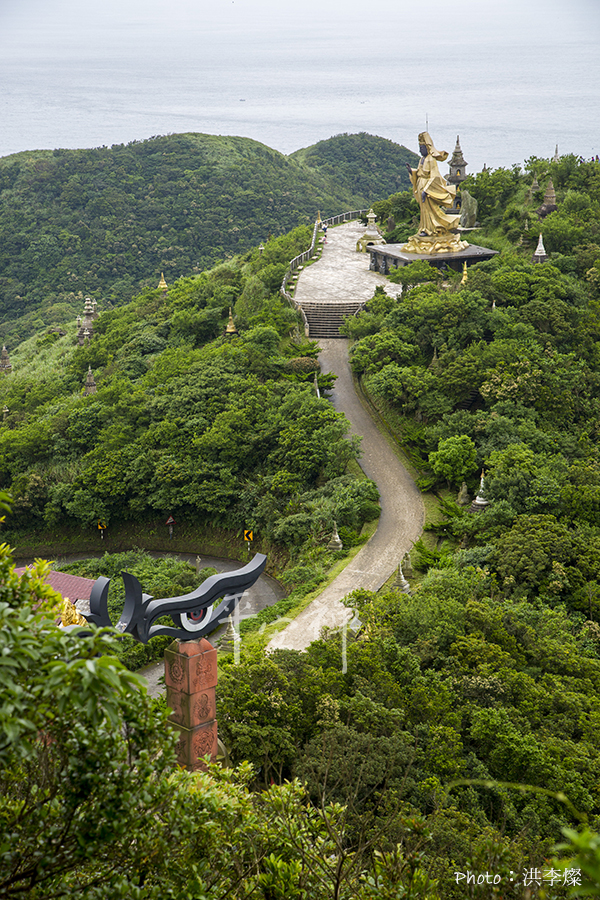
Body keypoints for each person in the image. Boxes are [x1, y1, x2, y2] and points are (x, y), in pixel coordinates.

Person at [402, 132, 468, 254]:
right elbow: (420, 172)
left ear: (428, 148)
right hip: (421, 184)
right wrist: (412, 171)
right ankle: (424, 228)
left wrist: (426, 190)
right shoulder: (422, 159)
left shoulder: (431, 160)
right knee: (423, 210)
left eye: (422, 148)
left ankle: (432, 229)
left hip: (428, 188)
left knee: (430, 209)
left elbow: (434, 177)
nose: (421, 150)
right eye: (420, 148)